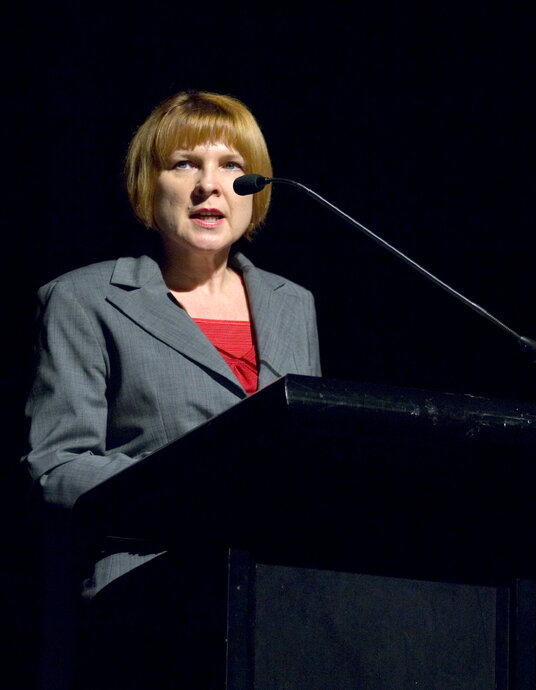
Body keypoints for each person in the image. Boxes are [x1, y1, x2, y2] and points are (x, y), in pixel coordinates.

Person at [23, 90, 322, 687]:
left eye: (233, 166)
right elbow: (58, 466)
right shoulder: (85, 300)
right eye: (185, 163)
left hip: (281, 597)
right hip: (151, 595)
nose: (211, 185)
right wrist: (187, 487)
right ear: (146, 186)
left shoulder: (294, 305)